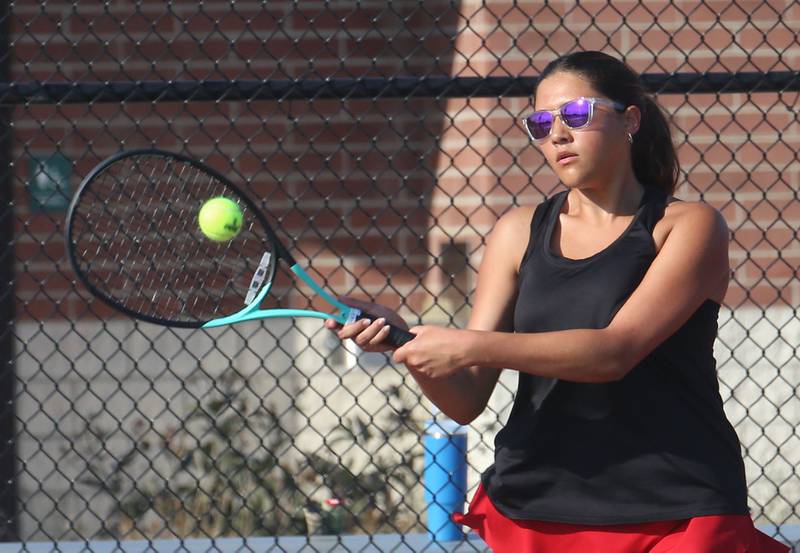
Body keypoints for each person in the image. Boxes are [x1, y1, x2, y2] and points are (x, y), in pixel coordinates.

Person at [325, 51, 788, 552]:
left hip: (677, 507)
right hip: (538, 504)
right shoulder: (516, 231)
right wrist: (406, 344)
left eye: (575, 116)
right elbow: (465, 400)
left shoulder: (688, 226)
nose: (558, 134)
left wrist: (468, 345)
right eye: (541, 123)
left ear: (630, 118)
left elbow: (614, 351)